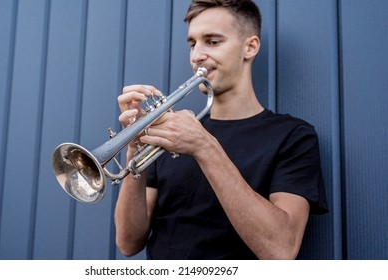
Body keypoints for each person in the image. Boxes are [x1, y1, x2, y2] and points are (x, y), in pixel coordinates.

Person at [114, 0, 328, 260]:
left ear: (250, 47)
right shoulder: (170, 136)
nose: (196, 56)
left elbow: (281, 249)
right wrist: (135, 149)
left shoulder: (292, 136)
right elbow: (128, 242)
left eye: (212, 42)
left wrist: (204, 147)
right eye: (192, 44)